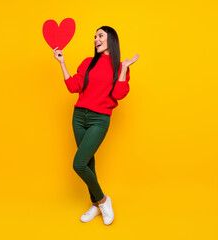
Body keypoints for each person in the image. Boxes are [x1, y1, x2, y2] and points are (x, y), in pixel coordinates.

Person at [53, 26, 139, 225]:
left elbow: (118, 94)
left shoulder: (120, 66)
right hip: (79, 117)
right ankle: (96, 204)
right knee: (89, 162)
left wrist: (124, 69)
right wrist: (62, 62)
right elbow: (74, 87)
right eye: (95, 36)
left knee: (79, 164)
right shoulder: (88, 63)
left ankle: (102, 200)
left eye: (100, 36)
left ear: (111, 40)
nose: (96, 39)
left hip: (99, 119)